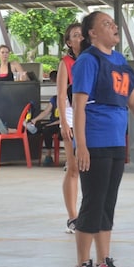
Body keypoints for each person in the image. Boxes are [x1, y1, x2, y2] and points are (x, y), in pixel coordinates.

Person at [70, 11, 134, 267]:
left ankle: (104, 260)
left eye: (113, 23)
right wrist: (81, 145)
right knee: (93, 202)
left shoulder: (120, 61)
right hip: (95, 141)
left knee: (107, 203)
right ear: (92, 33)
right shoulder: (88, 61)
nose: (113, 27)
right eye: (106, 24)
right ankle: (82, 264)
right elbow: (78, 104)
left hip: (116, 141)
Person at [57, 22, 83, 233]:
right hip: (71, 117)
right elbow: (60, 95)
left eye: (82, 34)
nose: (80, 37)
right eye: (75, 35)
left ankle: (89, 214)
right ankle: (73, 217)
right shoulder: (66, 63)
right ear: (68, 42)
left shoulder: (93, 58)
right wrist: (64, 123)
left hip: (90, 116)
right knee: (73, 168)